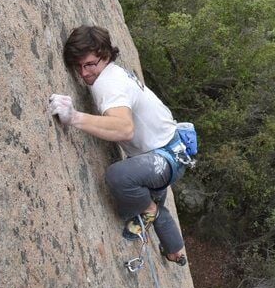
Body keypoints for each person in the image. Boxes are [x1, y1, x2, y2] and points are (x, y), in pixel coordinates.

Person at [48, 25, 188, 266]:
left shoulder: (108, 83)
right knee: (153, 202)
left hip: (163, 159)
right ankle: (175, 251)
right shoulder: (114, 73)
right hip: (169, 151)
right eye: (78, 66)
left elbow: (124, 128)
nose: (84, 73)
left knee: (121, 177)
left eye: (90, 64)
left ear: (106, 55)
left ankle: (148, 210)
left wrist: (74, 117)